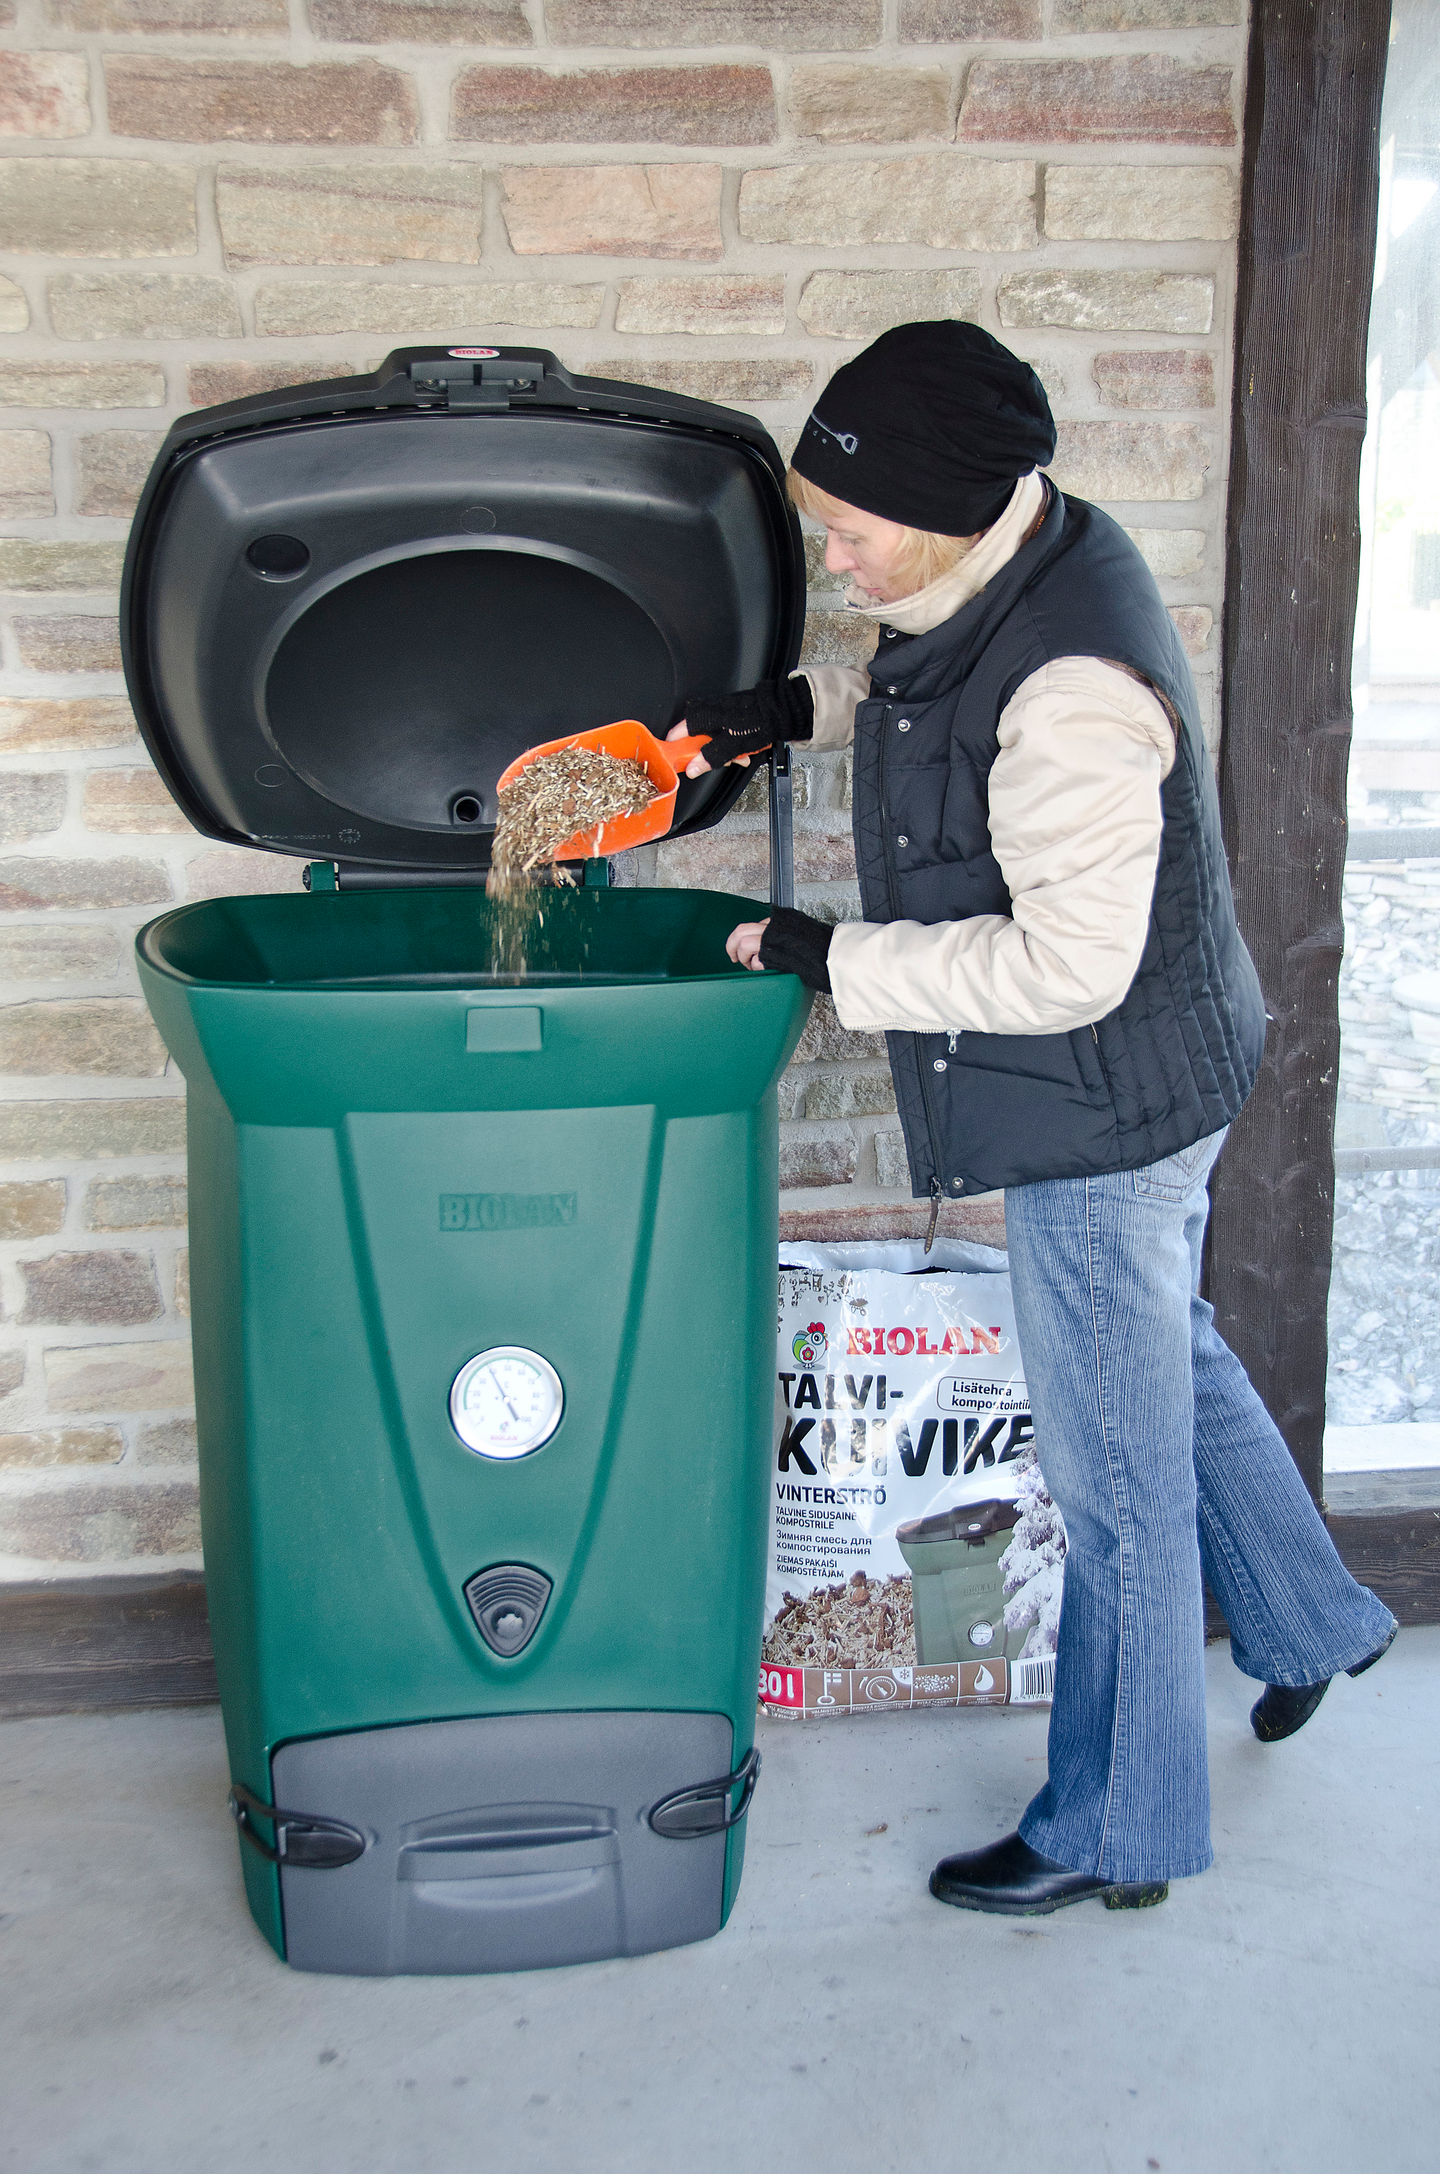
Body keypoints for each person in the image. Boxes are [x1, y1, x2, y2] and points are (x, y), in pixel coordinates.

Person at [673, 322, 1397, 1917]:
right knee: (1170, 1359)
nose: (830, 548)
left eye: (850, 525)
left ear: (949, 503)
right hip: (1166, 1069)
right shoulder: (1018, 553)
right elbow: (938, 698)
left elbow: (1069, 965)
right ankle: (1317, 1620)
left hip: (1104, 1109)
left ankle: (1115, 1828)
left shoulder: (1070, 686)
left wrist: (830, 958)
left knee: (1115, 1486)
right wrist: (782, 718)